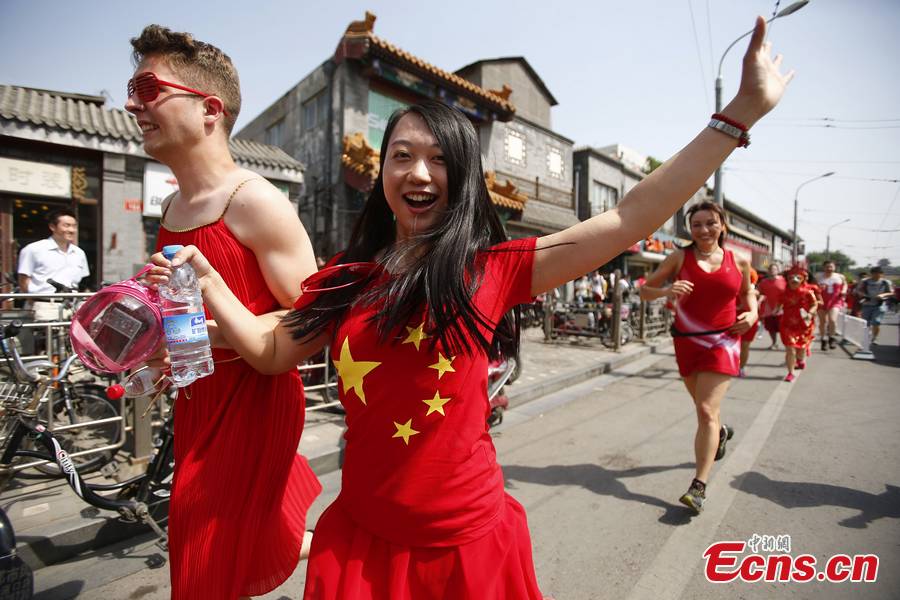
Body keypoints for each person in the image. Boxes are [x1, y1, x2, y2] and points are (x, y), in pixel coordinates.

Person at [151, 17, 790, 597]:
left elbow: (629, 215)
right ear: (382, 175)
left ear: (462, 179)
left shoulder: (493, 270)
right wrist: (209, 282)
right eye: (401, 156)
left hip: (465, 545)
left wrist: (739, 114)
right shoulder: (345, 279)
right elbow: (268, 352)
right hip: (361, 543)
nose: (418, 173)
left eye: (439, 159)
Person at [125, 25, 321, 599]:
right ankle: (346, 543)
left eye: (149, 88)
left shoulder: (255, 200)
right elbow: (182, 310)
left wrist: (207, 331)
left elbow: (309, 319)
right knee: (229, 552)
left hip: (251, 407)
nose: (134, 104)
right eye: (133, 88)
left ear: (209, 108)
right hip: (196, 402)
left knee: (201, 560)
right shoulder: (171, 205)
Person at [639, 201, 757, 515]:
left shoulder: (740, 260)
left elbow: (747, 293)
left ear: (723, 225)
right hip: (687, 342)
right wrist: (667, 290)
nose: (703, 230)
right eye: (697, 225)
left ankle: (698, 486)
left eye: (710, 223)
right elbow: (645, 290)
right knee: (706, 412)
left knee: (706, 410)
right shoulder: (679, 257)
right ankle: (721, 432)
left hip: (724, 341)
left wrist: (753, 312)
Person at [16, 208, 90, 321]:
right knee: (45, 338)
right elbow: (23, 279)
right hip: (45, 306)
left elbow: (84, 283)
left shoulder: (79, 253)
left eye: (74, 226)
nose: (71, 230)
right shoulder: (34, 249)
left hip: (73, 307)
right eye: (66, 225)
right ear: (52, 227)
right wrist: (32, 300)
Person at [778, 265, 818, 381]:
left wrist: (810, 313)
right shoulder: (783, 293)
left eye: (797, 278)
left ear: (802, 280)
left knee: (801, 348)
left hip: (803, 324)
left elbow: (815, 304)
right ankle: (790, 372)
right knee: (790, 348)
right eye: (791, 278)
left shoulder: (808, 292)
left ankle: (800, 360)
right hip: (787, 324)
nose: (794, 281)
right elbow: (778, 305)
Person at [857, 266, 894, 344]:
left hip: (879, 305)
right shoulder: (865, 281)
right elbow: (859, 290)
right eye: (874, 273)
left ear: (882, 274)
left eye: (878, 273)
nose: (876, 275)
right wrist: (863, 295)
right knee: (865, 322)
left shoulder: (885, 282)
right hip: (867, 304)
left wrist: (883, 295)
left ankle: (874, 338)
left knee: (876, 322)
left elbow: (891, 292)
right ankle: (866, 337)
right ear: (871, 274)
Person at [816, 260, 847, 351]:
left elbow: (845, 284)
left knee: (832, 320)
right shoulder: (818, 276)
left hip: (835, 301)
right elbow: (813, 286)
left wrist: (844, 290)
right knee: (822, 322)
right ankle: (823, 339)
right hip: (821, 300)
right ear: (823, 267)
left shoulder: (840, 276)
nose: (829, 269)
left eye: (831, 267)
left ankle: (832, 338)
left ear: (834, 267)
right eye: (827, 267)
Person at [738, 267, 760, 376]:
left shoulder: (752, 291)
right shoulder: (730, 287)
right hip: (731, 319)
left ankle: (741, 367)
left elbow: (753, 300)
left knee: (745, 345)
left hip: (748, 321)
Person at [758, 263, 785, 349]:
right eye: (771, 269)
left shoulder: (783, 280)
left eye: (774, 269)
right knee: (771, 328)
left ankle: (787, 344)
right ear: (768, 271)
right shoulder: (763, 282)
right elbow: (760, 293)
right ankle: (774, 343)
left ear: (778, 271)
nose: (772, 271)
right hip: (768, 307)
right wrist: (759, 301)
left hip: (782, 307)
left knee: (783, 327)